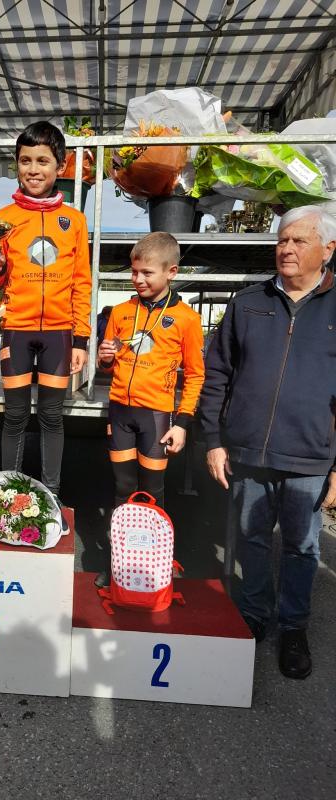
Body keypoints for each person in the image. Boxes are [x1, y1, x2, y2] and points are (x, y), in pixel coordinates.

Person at [199, 206, 336, 680]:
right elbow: (217, 373)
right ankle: (254, 614)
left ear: (328, 249)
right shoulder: (248, 303)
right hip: (248, 451)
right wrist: (214, 440)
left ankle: (293, 627)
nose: (286, 248)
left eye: (299, 240)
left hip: (309, 455)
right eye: (282, 240)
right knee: (251, 539)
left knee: (301, 547)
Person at [0, 120, 92, 515]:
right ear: (16, 164)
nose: (33, 169)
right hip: (16, 329)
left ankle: (51, 497)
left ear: (60, 167)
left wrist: (81, 339)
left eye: (42, 161)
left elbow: (82, 281)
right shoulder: (2, 218)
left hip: (59, 335)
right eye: (25, 160)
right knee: (14, 416)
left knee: (51, 416)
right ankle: (6, 497)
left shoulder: (74, 221)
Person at [95, 232, 204, 586]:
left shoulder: (186, 319)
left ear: (171, 272)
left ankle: (153, 565)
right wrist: (105, 358)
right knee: (122, 488)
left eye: (147, 273)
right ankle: (119, 563)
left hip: (156, 417)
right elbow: (106, 365)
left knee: (153, 492)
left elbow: (196, 375)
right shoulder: (121, 312)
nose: (138, 279)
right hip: (120, 413)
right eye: (134, 272)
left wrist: (183, 422)